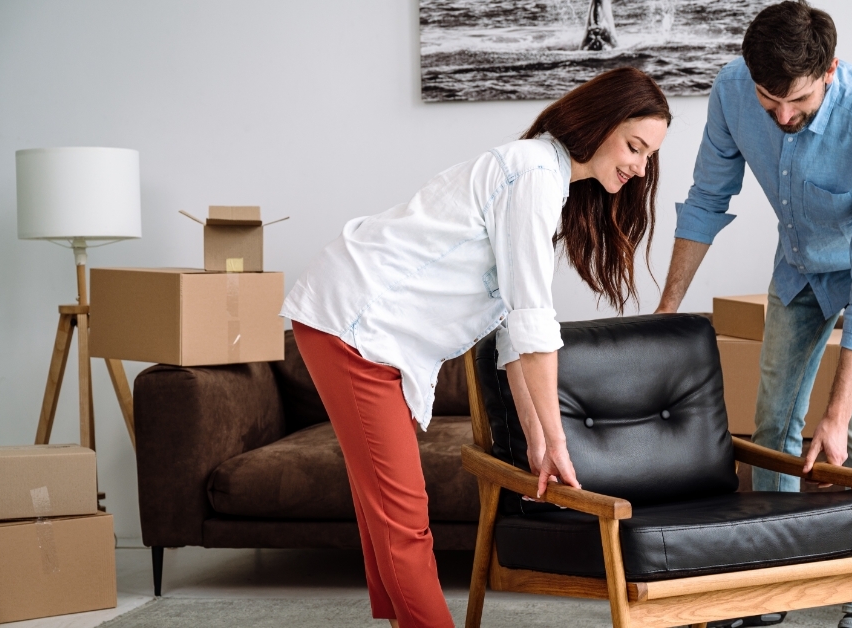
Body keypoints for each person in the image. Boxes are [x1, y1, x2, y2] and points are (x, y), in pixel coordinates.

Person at [280, 67, 671, 628]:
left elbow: (514, 331)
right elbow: (534, 322)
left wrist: (538, 441)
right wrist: (558, 441)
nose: (639, 167)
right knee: (403, 515)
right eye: (635, 147)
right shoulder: (533, 172)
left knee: (388, 510)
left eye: (649, 157)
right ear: (602, 122)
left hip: (364, 328)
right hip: (354, 323)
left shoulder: (546, 180)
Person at [654, 3, 852, 628]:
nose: (781, 115)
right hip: (801, 258)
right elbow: (705, 200)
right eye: (767, 99)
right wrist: (665, 314)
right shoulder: (730, 90)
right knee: (773, 418)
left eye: (798, 100)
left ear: (830, 70)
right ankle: (779, 587)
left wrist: (832, 413)